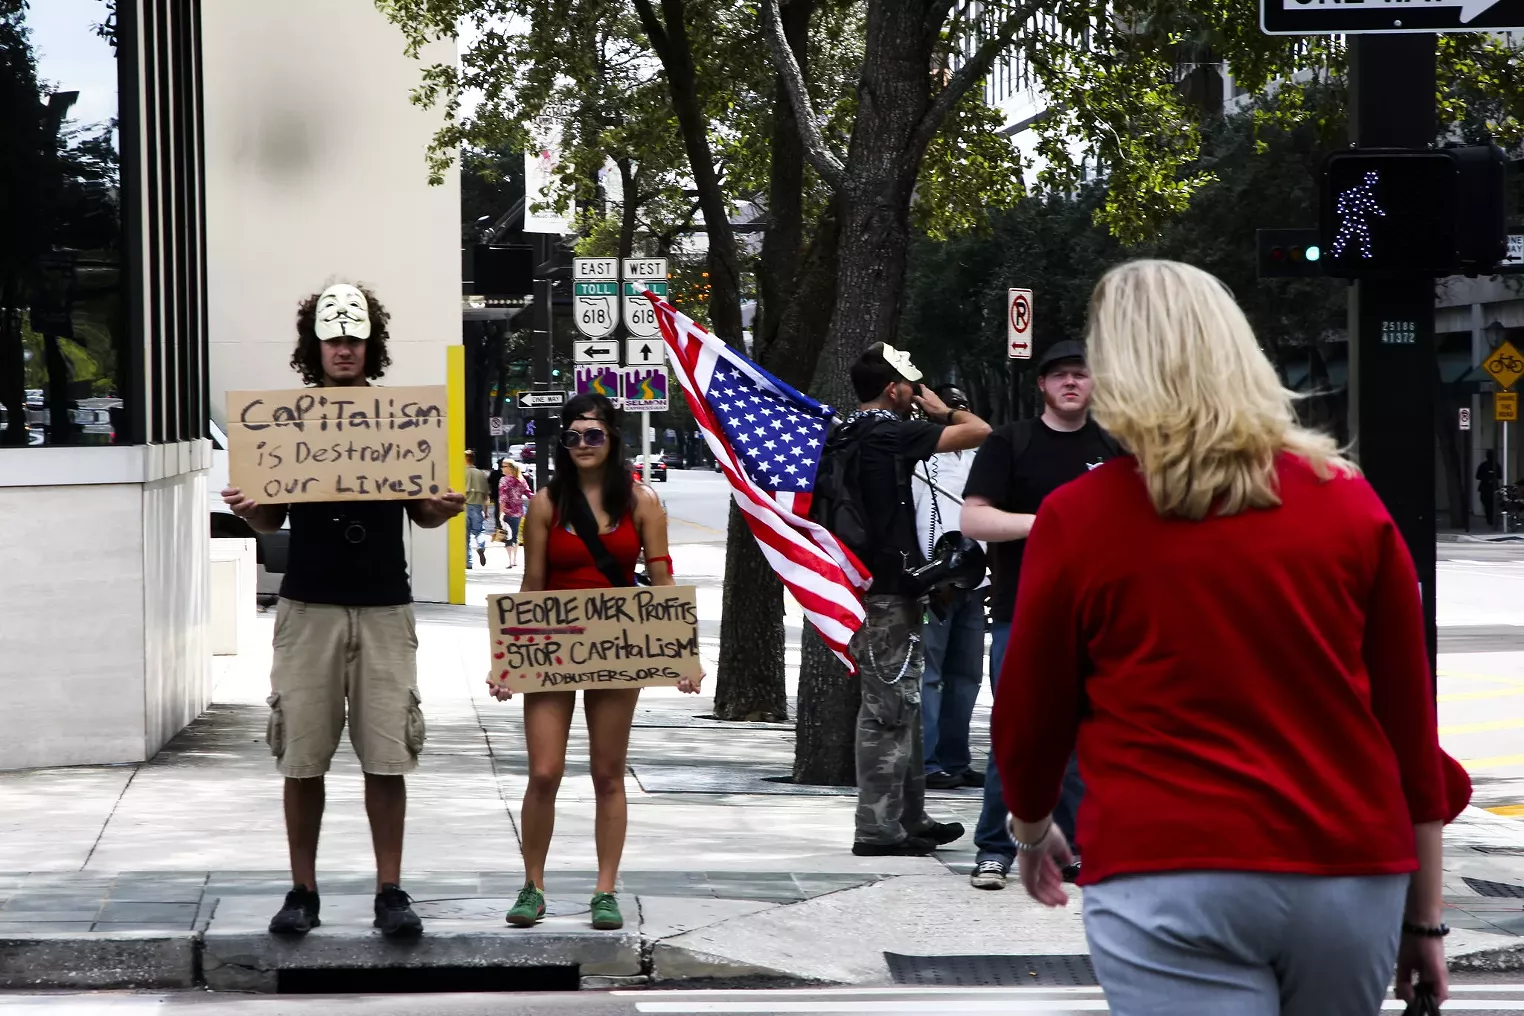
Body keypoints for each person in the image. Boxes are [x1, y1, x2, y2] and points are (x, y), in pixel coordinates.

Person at [996, 260, 1459, 1014]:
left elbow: (1031, 711)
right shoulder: (1346, 501)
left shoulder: (1078, 518)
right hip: (1346, 865)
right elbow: (1411, 729)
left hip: (1166, 865)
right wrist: (1425, 919)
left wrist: (1031, 824)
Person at [221, 283, 464, 939]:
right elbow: (272, 513)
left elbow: (423, 508)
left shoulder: (401, 419)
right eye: (334, 339)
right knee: (302, 756)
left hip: (384, 605)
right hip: (309, 607)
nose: (344, 350)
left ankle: (391, 889)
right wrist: (251, 509)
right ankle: (302, 890)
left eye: (354, 338)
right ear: (315, 347)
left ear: (371, 345)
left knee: (388, 755)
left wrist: (442, 508)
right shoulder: (287, 420)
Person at [487, 393, 700, 931]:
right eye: (574, 435)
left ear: (612, 439)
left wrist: (683, 655)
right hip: (553, 648)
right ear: (563, 443)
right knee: (544, 772)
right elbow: (531, 586)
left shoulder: (642, 502)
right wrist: (506, 660)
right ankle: (532, 885)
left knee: (608, 773)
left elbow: (661, 579)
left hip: (617, 647)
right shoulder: (544, 504)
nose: (583, 444)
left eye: (594, 434)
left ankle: (605, 890)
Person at [959, 339, 1119, 890]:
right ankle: (995, 849)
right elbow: (975, 521)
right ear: (1043, 386)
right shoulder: (1011, 442)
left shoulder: (1115, 448)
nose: (1071, 383)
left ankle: (1071, 849)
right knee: (1018, 733)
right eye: (1060, 376)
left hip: (1098, 618)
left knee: (1083, 738)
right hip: (1020, 612)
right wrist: (1048, 522)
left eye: (1081, 375)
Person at [826, 343, 990, 857]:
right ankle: (877, 828)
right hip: (884, 593)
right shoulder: (884, 432)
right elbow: (980, 432)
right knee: (886, 710)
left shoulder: (847, 431)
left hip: (876, 586)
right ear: (893, 388)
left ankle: (909, 817)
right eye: (910, 387)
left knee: (904, 705)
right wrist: (946, 409)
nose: (916, 396)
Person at [911, 384, 988, 791]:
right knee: (931, 672)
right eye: (948, 408)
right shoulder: (921, 457)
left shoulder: (983, 459)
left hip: (976, 580)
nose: (956, 414)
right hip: (935, 580)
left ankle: (956, 759)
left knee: (967, 675)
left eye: (962, 408)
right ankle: (928, 759)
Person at [498, 460, 531, 570]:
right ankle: (515, 560)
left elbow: (503, 498)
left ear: (510, 468)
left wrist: (501, 513)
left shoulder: (504, 480)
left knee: (508, 535)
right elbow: (528, 493)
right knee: (516, 535)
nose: (502, 468)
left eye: (503, 466)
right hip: (519, 511)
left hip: (507, 511)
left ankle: (509, 561)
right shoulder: (521, 479)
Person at [464, 450, 492, 568]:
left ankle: (468, 562)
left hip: (463, 506)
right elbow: (486, 495)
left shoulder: (460, 473)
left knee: (465, 537)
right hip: (477, 506)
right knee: (479, 530)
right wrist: (486, 512)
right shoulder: (481, 474)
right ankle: (480, 546)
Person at [1478, 448, 1501, 529]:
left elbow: (1499, 476)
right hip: (1487, 487)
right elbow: (1478, 476)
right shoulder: (1486, 465)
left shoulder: (1492, 465)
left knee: (1489, 505)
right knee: (1489, 504)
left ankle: (1490, 519)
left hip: (1489, 488)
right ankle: (1490, 518)